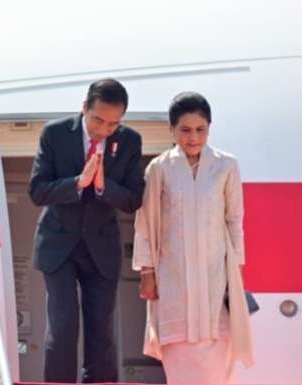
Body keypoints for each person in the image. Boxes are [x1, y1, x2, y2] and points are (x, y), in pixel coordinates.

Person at [28, 78, 145, 383]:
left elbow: (133, 199)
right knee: (63, 327)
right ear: (84, 108)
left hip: (101, 248)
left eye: (113, 124)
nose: (104, 129)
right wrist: (78, 182)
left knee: (101, 330)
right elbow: (38, 191)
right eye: (98, 120)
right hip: (58, 245)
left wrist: (104, 186)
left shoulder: (130, 141)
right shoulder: (54, 133)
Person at [132, 92, 254, 384]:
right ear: (171, 130)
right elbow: (145, 223)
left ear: (209, 128)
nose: (193, 137)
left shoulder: (226, 165)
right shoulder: (159, 168)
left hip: (216, 277)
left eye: (201, 129)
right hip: (173, 278)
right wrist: (147, 272)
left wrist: (236, 271)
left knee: (218, 355)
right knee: (180, 355)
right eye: (185, 130)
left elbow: (234, 219)